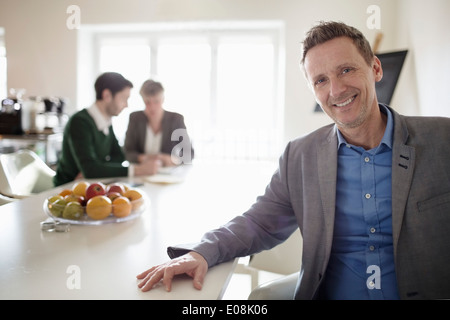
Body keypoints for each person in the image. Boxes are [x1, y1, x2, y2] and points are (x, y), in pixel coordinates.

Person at [136, 21, 450, 300]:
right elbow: (258, 223)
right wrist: (202, 252)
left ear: (376, 69)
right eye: (321, 80)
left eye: (346, 70)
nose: (336, 89)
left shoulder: (442, 140)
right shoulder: (300, 156)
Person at [53, 72, 160, 186]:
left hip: (90, 185)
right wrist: (137, 170)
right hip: (67, 189)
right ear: (107, 95)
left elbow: (119, 156)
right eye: (124, 98)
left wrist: (98, 169)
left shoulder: (106, 121)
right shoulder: (80, 122)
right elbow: (90, 169)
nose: (126, 105)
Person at [124, 79, 194, 168]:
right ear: (142, 99)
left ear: (163, 99)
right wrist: (143, 158)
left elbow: (189, 153)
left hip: (168, 173)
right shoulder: (135, 118)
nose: (152, 107)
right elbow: (127, 152)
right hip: (142, 172)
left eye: (156, 101)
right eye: (147, 102)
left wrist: (173, 160)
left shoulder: (176, 119)